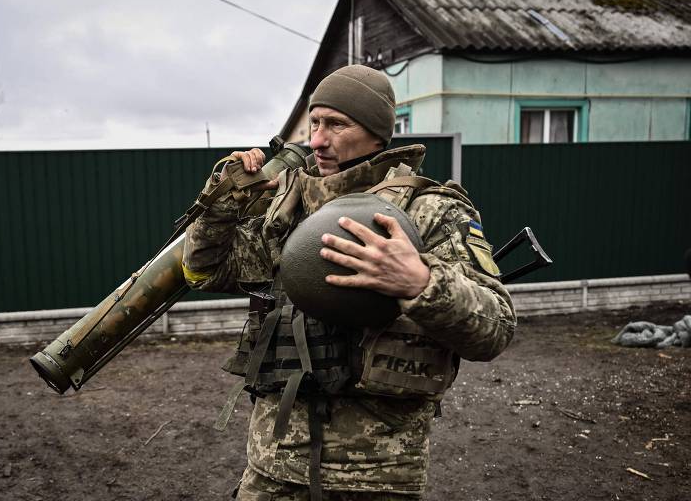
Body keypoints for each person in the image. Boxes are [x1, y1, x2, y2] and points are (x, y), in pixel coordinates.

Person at [182, 65, 516, 500]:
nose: (318, 140)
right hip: (273, 464)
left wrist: (420, 282)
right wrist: (220, 203)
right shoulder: (290, 206)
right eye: (315, 123)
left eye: (336, 124)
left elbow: (495, 329)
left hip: (376, 474)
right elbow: (208, 270)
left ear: (378, 134)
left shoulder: (431, 211)